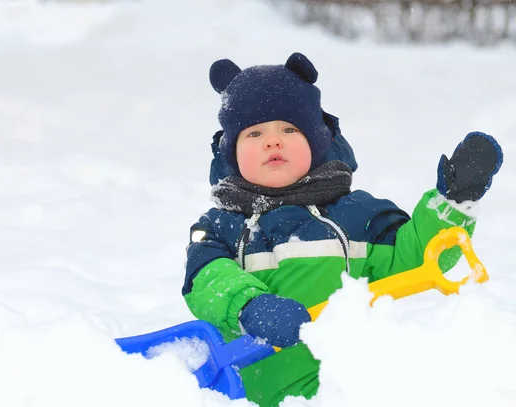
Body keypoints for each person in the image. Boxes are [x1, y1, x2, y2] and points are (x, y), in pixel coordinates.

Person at [182, 52, 503, 407]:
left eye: (290, 129)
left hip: (340, 388)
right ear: (231, 153)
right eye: (254, 132)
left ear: (317, 143)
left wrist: (453, 204)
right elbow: (205, 281)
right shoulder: (219, 227)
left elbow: (418, 260)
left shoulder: (357, 216)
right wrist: (248, 305)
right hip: (245, 391)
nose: (273, 141)